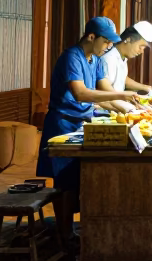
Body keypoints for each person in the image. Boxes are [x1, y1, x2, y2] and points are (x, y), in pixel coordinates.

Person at [36, 17, 139, 243]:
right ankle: (63, 235)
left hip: (82, 122)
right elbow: (82, 94)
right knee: (64, 182)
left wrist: (132, 110)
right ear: (91, 37)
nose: (109, 46)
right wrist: (121, 95)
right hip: (62, 124)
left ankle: (74, 230)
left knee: (80, 180)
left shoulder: (97, 59)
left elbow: (104, 97)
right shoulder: (71, 57)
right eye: (105, 42)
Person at [99, 20, 152, 96]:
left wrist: (145, 87)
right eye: (140, 46)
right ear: (128, 39)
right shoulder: (109, 59)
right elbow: (105, 91)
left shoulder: (121, 56)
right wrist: (128, 98)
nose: (142, 51)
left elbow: (122, 79)